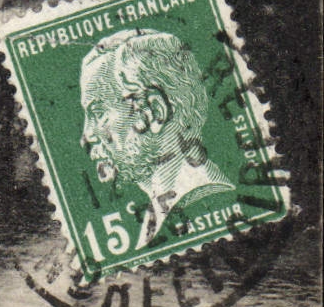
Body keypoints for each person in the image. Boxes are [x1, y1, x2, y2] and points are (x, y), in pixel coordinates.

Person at [80, 28, 235, 245]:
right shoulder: (161, 215)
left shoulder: (206, 201)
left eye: (98, 113)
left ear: (154, 112)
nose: (87, 136)